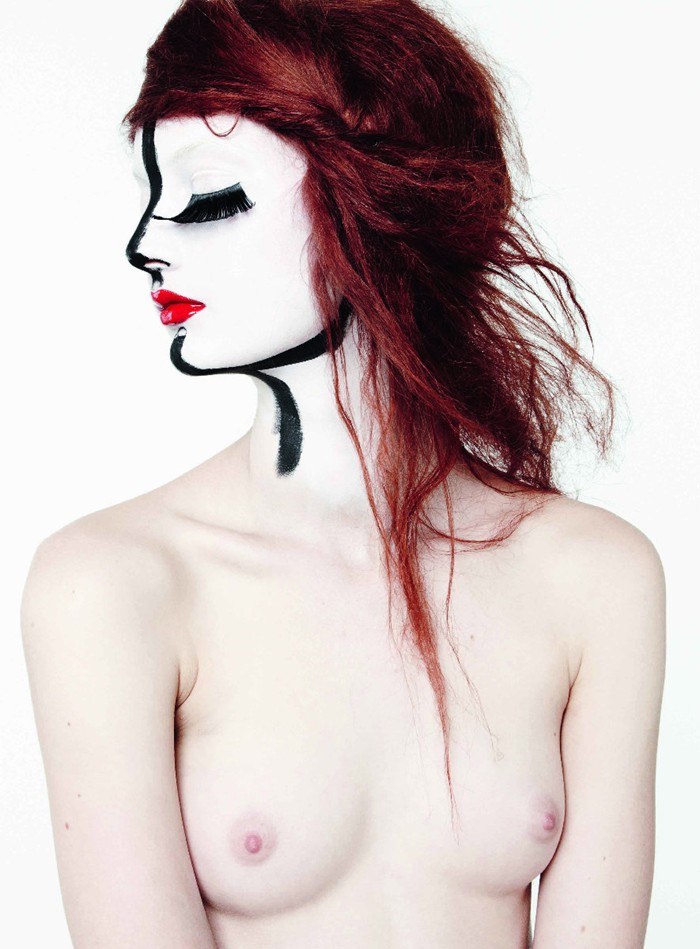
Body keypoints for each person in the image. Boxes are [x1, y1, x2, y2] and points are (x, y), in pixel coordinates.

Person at [20, 1, 666, 947]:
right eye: (152, 193)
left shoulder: (595, 576)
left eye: (208, 196)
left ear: (381, 207)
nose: (146, 242)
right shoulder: (113, 584)